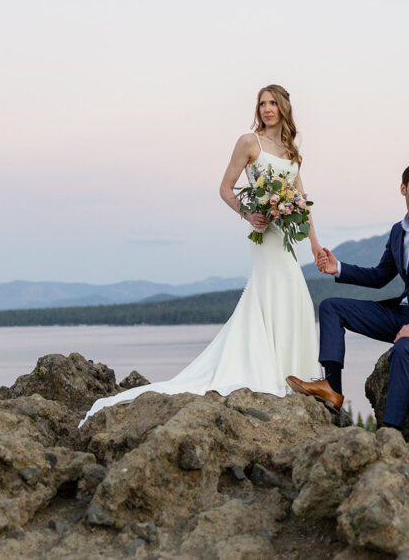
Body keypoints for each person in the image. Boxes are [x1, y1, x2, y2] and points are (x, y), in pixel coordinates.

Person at [79, 85, 323, 426]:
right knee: (274, 291)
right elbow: (225, 188)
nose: (267, 109)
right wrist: (249, 214)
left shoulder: (291, 152)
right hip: (264, 233)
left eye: (272, 103)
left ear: (284, 107)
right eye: (262, 103)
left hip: (285, 236)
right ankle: (270, 372)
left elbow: (301, 198)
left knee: (295, 296)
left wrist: (314, 244)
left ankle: (294, 373)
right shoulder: (248, 142)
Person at [286, 161, 409, 430]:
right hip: (402, 313)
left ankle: (390, 431)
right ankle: (331, 389)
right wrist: (337, 268)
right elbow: (380, 277)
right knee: (331, 307)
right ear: (403, 188)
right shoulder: (398, 231)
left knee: (403, 350)